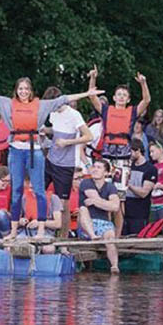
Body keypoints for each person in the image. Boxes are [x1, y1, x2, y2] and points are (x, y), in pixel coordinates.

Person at [0, 72, 103, 240]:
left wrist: (87, 94)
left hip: (34, 150)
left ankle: (42, 230)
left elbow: (63, 99)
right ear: (16, 90)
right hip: (15, 149)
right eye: (20, 89)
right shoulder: (7, 104)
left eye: (26, 89)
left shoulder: (41, 106)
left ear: (31, 91)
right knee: (16, 191)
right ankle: (13, 231)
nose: (23, 92)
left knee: (39, 191)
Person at [42, 86, 93, 239]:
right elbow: (55, 130)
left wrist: (68, 142)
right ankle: (43, 231)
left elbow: (88, 136)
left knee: (63, 203)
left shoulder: (74, 115)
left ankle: (64, 240)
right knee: (40, 193)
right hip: (50, 160)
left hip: (65, 164)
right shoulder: (53, 113)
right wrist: (46, 131)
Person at [87, 65, 151, 161]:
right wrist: (93, 78)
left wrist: (143, 83)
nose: (121, 97)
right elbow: (92, 96)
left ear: (128, 99)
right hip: (107, 150)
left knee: (123, 176)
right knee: (105, 175)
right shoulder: (106, 110)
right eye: (119, 94)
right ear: (114, 98)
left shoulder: (132, 112)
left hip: (124, 150)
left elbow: (146, 100)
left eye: (124, 95)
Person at [78, 160, 121, 274]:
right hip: (87, 222)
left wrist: (96, 202)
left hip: (104, 222)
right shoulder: (86, 183)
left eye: (99, 167)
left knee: (110, 238)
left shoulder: (110, 187)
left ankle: (114, 266)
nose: (95, 169)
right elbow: (98, 199)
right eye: (94, 167)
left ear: (106, 172)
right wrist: (107, 204)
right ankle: (93, 236)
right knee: (83, 209)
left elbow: (116, 207)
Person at [17, 177, 63, 254]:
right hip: (26, 232)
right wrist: (21, 221)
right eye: (30, 187)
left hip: (46, 233)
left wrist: (40, 223)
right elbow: (16, 221)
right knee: (14, 247)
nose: (31, 189)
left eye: (33, 187)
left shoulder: (54, 198)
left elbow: (58, 224)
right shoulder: (23, 198)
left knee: (48, 249)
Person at [123, 139, 157, 235]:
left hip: (139, 213)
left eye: (130, 152)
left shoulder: (150, 169)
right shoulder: (128, 166)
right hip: (125, 211)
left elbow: (144, 193)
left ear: (138, 151)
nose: (129, 155)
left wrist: (128, 185)